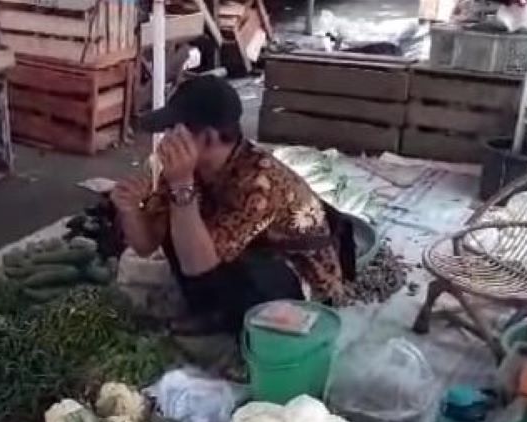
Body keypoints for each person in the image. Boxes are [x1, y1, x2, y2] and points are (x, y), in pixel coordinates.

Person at [110, 75, 353, 336]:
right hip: (235, 254)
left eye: (175, 130)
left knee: (246, 269)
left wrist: (182, 187)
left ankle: (246, 333)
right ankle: (211, 312)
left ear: (209, 137)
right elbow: (146, 245)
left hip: (300, 283)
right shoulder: (186, 167)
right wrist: (130, 209)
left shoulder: (260, 182)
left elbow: (200, 267)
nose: (167, 139)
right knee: (180, 220)